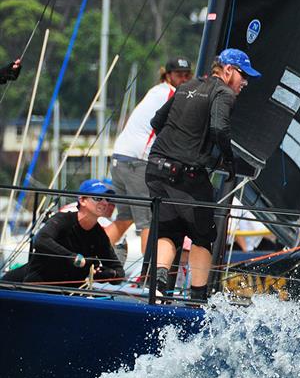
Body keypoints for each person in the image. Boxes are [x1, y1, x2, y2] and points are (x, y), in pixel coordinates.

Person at [145, 48, 261, 301]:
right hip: (185, 176)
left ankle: (157, 288)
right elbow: (220, 128)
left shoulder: (186, 87)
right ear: (228, 70)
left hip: (155, 169)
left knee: (168, 232)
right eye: (243, 76)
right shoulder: (224, 92)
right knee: (203, 237)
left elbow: (156, 122)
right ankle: (198, 299)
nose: (245, 83)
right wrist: (228, 160)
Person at [106, 57, 193, 269]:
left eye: (187, 74)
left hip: (119, 158)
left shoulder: (156, 91)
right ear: (168, 75)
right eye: (179, 74)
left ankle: (86, 252)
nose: (184, 78)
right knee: (148, 223)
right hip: (136, 161)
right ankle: (148, 277)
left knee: (124, 219)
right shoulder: (170, 94)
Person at [22, 179, 125, 287]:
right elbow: (41, 240)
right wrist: (76, 259)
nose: (105, 203)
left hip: (70, 292)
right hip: (40, 284)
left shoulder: (99, 235)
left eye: (107, 199)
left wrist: (109, 274)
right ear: (82, 200)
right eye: (98, 198)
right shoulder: (63, 219)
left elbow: (119, 271)